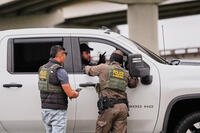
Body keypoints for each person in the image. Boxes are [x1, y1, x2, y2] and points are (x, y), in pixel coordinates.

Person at [85, 50, 138, 133]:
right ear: (121, 62)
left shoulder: (103, 67)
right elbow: (133, 84)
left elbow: (89, 70)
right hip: (123, 109)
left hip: (109, 107)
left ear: (110, 59)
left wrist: (86, 67)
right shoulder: (126, 73)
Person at [38, 45, 79, 133]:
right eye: (65, 54)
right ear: (61, 54)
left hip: (45, 110)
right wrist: (76, 93)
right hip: (57, 112)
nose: (65, 57)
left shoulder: (43, 69)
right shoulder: (60, 71)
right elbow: (70, 94)